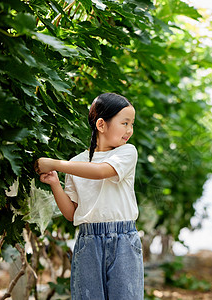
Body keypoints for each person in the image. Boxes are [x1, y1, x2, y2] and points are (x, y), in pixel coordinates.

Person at [34, 93, 143, 300]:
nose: (129, 130)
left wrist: (56, 164)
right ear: (101, 125)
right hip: (87, 240)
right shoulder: (76, 163)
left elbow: (102, 171)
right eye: (125, 123)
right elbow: (71, 213)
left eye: (131, 124)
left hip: (123, 240)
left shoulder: (127, 152)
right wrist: (55, 182)